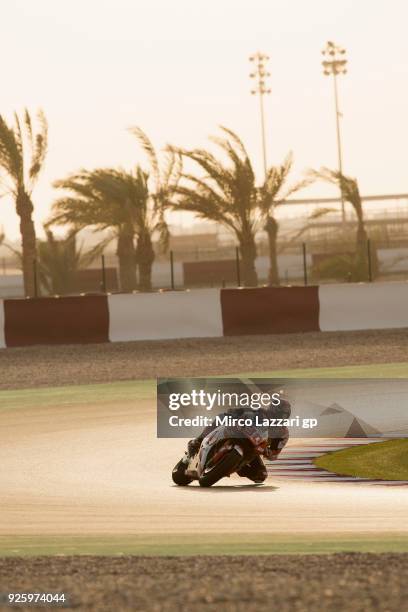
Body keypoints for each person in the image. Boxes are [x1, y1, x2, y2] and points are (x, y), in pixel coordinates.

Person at [187, 396, 291, 483]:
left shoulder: (283, 433)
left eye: (284, 415)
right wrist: (235, 414)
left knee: (261, 476)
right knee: (222, 417)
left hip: (253, 449)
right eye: (279, 414)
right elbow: (236, 411)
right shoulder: (258, 411)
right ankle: (198, 440)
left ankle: (232, 465)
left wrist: (268, 452)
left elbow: (275, 453)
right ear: (272, 410)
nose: (280, 417)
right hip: (238, 434)